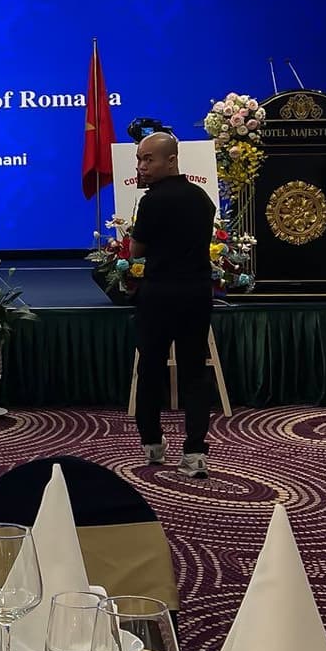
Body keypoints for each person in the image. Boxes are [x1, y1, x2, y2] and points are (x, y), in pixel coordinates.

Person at [129, 131, 216, 478]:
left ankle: (152, 443)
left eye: (148, 159)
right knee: (194, 372)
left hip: (159, 294)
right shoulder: (202, 198)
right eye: (139, 159)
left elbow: (136, 251)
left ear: (172, 160)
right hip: (196, 293)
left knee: (150, 368)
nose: (142, 166)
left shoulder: (152, 201)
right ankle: (195, 452)